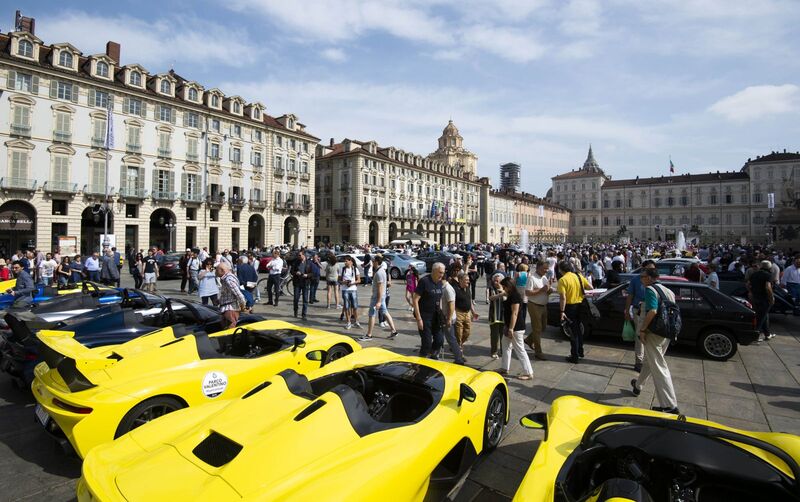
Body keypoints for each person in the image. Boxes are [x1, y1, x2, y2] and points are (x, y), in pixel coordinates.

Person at [631, 268, 679, 414]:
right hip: (666, 333)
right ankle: (638, 386)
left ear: (651, 278)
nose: (641, 280)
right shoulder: (668, 291)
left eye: (643, 277)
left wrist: (643, 330)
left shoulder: (651, 290)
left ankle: (670, 405)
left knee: (659, 367)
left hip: (654, 333)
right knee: (649, 362)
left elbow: (652, 310)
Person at [498, 276, 533, 380]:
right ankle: (504, 368)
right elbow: (503, 294)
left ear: (508, 286)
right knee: (505, 346)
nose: (503, 289)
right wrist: (496, 296)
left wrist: (511, 329)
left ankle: (528, 372)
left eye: (504, 287)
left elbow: (515, 313)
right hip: (510, 326)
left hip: (516, 328)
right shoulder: (511, 294)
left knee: (520, 349)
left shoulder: (515, 297)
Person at [624, 259, 656, 372]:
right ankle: (639, 361)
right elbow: (630, 296)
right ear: (643, 268)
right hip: (639, 311)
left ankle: (649, 360)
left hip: (653, 311)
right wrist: (627, 311)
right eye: (649, 269)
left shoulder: (655, 280)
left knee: (651, 337)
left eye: (653, 269)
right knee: (639, 336)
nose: (651, 271)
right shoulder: (636, 280)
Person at [558, 260, 590, 364]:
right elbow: (590, 287)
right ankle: (580, 351)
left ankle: (574, 355)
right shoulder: (579, 276)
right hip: (580, 306)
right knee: (579, 331)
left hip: (570, 307)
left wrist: (562, 311)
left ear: (561, 270)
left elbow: (563, 297)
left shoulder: (563, 280)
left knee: (573, 332)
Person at [360, 255, 399, 341]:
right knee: (385, 312)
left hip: (377, 298)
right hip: (380, 297)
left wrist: (378, 301)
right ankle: (393, 331)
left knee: (372, 314)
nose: (372, 263)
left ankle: (369, 335)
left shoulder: (379, 273)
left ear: (377, 262)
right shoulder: (380, 271)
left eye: (373, 261)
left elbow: (380, 288)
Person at [413, 262, 446, 358]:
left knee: (439, 340)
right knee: (426, 342)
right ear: (434, 271)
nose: (442, 275)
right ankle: (422, 359)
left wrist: (441, 313)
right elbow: (415, 299)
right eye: (440, 272)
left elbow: (438, 298)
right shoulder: (424, 281)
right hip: (424, 316)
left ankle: (432, 353)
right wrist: (419, 319)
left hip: (436, 316)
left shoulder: (440, 282)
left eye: (443, 273)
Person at [439, 267, 466, 364]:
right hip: (444, 317)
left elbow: (451, 305)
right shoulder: (442, 287)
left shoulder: (447, 288)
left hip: (448, 318)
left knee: (451, 339)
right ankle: (436, 354)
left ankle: (459, 359)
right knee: (441, 337)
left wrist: (449, 319)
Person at [524, 259, 550, 360]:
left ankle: (529, 340)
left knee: (543, 327)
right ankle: (538, 352)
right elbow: (528, 293)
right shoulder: (531, 278)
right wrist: (541, 290)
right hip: (534, 305)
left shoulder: (544, 277)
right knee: (537, 329)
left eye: (547, 269)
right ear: (538, 267)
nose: (546, 270)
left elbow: (546, 289)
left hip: (543, 305)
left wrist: (549, 290)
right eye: (544, 269)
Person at [748, 260, 776, 342]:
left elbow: (748, 284)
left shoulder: (754, 274)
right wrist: (772, 298)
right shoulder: (768, 275)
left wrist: (751, 292)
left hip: (755, 298)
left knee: (764, 316)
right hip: (764, 299)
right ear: (769, 267)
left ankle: (767, 334)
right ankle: (755, 336)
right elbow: (768, 287)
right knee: (761, 318)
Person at [216, 262, 246, 329]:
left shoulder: (228, 279)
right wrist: (220, 300)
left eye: (217, 270)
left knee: (229, 329)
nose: (215, 271)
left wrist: (243, 306)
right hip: (228, 308)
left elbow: (239, 294)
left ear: (222, 270)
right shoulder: (226, 278)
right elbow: (228, 293)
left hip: (230, 309)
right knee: (226, 328)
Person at [453, 271, 478, 349]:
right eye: (466, 280)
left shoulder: (467, 288)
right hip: (458, 313)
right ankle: (458, 347)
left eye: (468, 279)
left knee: (467, 332)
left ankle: (458, 344)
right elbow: (451, 303)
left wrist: (473, 312)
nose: (468, 281)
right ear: (460, 280)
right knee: (458, 333)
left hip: (467, 313)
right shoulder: (455, 289)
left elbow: (469, 300)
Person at [487, 273, 505, 359]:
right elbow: (491, 298)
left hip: (503, 315)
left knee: (503, 335)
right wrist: (500, 294)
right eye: (495, 280)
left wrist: (503, 292)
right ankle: (494, 351)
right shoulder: (491, 288)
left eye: (498, 281)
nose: (496, 282)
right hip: (494, 315)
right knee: (494, 335)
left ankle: (503, 350)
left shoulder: (506, 289)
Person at [340, 256, 361, 328]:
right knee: (346, 307)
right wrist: (344, 282)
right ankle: (348, 322)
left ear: (350, 261)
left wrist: (352, 283)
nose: (345, 262)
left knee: (355, 307)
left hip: (353, 289)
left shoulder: (355, 269)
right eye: (344, 261)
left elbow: (359, 280)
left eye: (346, 261)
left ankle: (356, 321)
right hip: (345, 290)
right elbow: (339, 280)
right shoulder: (342, 269)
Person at [291, 252, 310, 319]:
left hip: (305, 283)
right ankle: (295, 311)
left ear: (303, 255)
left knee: (305, 299)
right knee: (296, 298)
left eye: (299, 255)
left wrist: (307, 275)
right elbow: (291, 271)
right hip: (297, 283)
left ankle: (304, 314)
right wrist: (296, 272)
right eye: (298, 255)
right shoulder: (296, 262)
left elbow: (313, 273)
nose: (298, 256)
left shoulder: (308, 262)